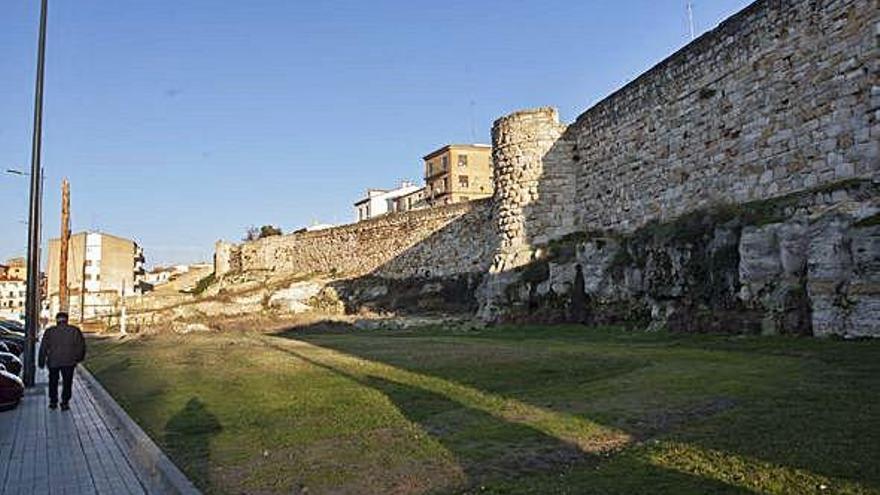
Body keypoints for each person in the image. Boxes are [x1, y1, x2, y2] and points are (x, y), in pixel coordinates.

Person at [38, 312, 86, 411]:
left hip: (53, 362)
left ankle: (53, 401)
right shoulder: (74, 330)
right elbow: (81, 346)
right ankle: (65, 402)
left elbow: (43, 347)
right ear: (67, 320)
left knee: (53, 381)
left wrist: (41, 361)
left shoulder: (50, 331)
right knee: (67, 382)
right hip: (69, 361)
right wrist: (78, 358)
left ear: (57, 320)